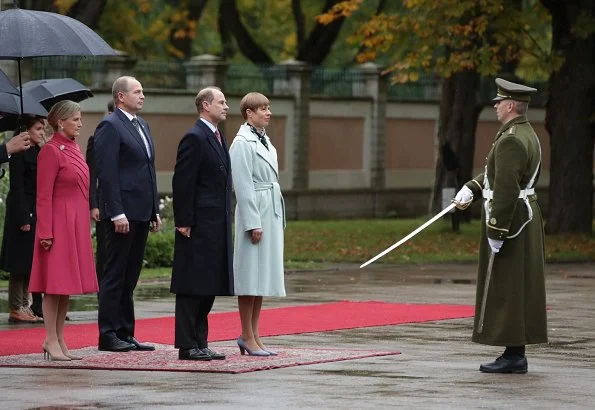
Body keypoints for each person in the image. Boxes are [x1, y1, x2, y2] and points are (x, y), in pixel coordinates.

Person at [453, 78, 547, 374]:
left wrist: (496, 230)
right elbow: (497, 177)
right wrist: (472, 187)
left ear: (509, 105)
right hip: (523, 217)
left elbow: (506, 189)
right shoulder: (524, 133)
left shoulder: (510, 139)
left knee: (508, 287)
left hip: (512, 222)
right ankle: (514, 351)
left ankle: (514, 354)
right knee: (516, 286)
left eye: (498, 102)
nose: (494, 106)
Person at [94, 76, 160, 352]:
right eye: (137, 91)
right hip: (122, 214)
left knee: (131, 274)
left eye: (143, 91)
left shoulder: (141, 124)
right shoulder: (110, 126)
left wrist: (154, 209)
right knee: (115, 274)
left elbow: (148, 170)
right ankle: (108, 334)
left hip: (141, 211)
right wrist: (116, 212)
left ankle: (125, 331)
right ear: (120, 97)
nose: (142, 95)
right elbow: (107, 174)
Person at [28, 101, 98, 361]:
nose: (80, 123)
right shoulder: (49, 151)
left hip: (75, 224)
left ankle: (59, 339)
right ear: (61, 122)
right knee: (53, 285)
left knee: (65, 286)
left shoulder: (74, 147)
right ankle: (49, 338)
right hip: (57, 225)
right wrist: (45, 232)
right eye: (76, 119)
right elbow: (43, 196)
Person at [170, 86, 234, 361]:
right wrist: (184, 220)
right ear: (206, 106)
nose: (226, 106)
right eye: (221, 101)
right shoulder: (194, 137)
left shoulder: (217, 137)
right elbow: (182, 181)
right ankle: (187, 345)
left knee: (208, 284)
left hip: (216, 223)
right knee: (192, 285)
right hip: (197, 224)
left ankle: (201, 341)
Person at [229, 92, 286, 356]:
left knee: (262, 276)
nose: (268, 112)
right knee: (250, 275)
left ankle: (255, 334)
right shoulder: (242, 142)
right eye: (262, 108)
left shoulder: (264, 140)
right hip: (256, 211)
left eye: (268, 107)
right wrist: (253, 222)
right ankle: (246, 335)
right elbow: (242, 184)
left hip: (269, 208)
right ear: (249, 113)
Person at [0, 117, 45, 324]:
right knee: (19, 264)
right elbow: (17, 188)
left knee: (29, 262)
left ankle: (25, 305)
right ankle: (16, 306)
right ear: (26, 131)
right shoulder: (19, 153)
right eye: (37, 128)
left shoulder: (37, 151)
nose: (42, 132)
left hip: (34, 212)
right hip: (22, 213)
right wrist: (24, 216)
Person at [85, 99, 115, 283]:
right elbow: (92, 173)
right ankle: (103, 293)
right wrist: (93, 204)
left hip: (127, 204)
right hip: (104, 204)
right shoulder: (97, 138)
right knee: (105, 251)